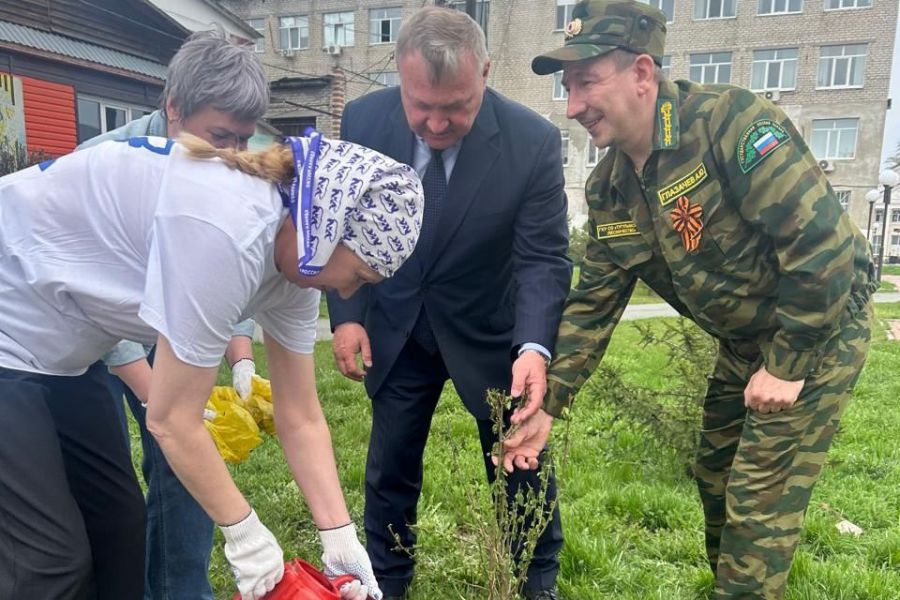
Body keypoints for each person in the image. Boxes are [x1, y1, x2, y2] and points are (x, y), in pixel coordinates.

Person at [505, 1, 878, 598]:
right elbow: (594, 303)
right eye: (566, 87)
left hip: (821, 325)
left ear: (643, 74)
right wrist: (551, 404)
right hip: (745, 342)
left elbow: (822, 247)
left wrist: (788, 363)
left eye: (586, 83)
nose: (572, 106)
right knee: (717, 479)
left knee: (757, 501)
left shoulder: (731, 124)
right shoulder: (609, 188)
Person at [0, 131, 424, 600]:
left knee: (120, 532)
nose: (348, 293)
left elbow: (300, 416)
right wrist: (243, 532)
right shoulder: (228, 228)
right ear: (325, 225)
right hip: (10, 313)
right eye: (359, 274)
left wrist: (339, 537)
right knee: (47, 562)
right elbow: (171, 420)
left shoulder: (295, 265)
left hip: (64, 347)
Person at [326, 7, 571, 600]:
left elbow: (543, 256)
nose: (435, 124)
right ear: (400, 81)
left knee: (520, 467)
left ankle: (536, 580)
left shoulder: (532, 141)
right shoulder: (363, 119)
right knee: (390, 468)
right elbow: (342, 226)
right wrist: (349, 319)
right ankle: (386, 581)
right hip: (396, 325)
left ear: (485, 73)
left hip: (489, 332)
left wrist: (534, 347)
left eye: (455, 108)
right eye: (421, 106)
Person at [76, 29, 267, 600]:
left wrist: (240, 357)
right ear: (174, 109)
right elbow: (93, 302)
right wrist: (155, 395)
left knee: (188, 461)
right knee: (105, 484)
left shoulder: (231, 166)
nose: (232, 153)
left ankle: (180, 591)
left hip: (164, 317)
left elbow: (230, 271)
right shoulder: (108, 167)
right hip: (78, 340)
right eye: (219, 136)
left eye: (243, 137)